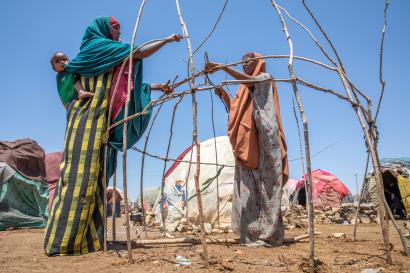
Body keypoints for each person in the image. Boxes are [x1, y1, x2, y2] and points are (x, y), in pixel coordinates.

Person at [44, 16, 181, 256]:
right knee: (80, 180)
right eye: (116, 29)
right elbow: (138, 53)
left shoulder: (98, 57)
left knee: (95, 180)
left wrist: (157, 87)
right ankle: (64, 242)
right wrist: (167, 40)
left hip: (95, 126)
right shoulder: (99, 50)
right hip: (85, 126)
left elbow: (125, 86)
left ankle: (88, 240)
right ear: (105, 30)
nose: (119, 33)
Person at [205, 52, 289, 247]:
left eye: (248, 62)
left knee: (267, 188)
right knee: (248, 190)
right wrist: (223, 95)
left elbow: (252, 82)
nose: (244, 65)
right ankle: (250, 234)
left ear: (259, 62)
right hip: (249, 144)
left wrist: (224, 67)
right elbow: (235, 111)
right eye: (242, 62)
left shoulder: (264, 79)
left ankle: (269, 235)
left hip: (265, 144)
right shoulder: (244, 90)